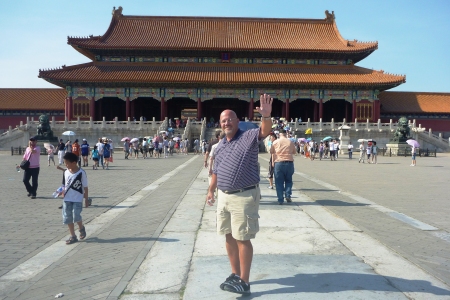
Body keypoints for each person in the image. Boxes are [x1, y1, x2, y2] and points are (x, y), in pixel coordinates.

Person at [206, 93, 272, 295]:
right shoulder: (220, 146)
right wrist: (211, 190)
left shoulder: (248, 137)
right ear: (220, 124)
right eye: (223, 120)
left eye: (230, 119)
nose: (227, 123)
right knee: (228, 235)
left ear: (237, 121)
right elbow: (216, 170)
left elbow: (264, 131)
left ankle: (244, 280)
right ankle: (235, 273)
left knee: (242, 237)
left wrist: (266, 116)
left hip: (244, 196)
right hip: (224, 196)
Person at [61, 152, 89, 245]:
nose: (66, 165)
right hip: (67, 199)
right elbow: (64, 185)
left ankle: (81, 228)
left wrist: (86, 199)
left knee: (76, 216)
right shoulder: (65, 172)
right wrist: (61, 192)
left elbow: (85, 187)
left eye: (67, 163)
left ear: (74, 163)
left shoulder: (81, 172)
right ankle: (73, 236)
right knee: (68, 217)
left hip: (77, 198)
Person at [270, 128, 296, 204]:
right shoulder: (290, 142)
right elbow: (294, 152)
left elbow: (271, 151)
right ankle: (288, 195)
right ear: (286, 134)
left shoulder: (275, 142)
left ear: (279, 134)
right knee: (288, 180)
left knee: (279, 182)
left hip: (279, 163)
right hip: (289, 163)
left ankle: (280, 199)